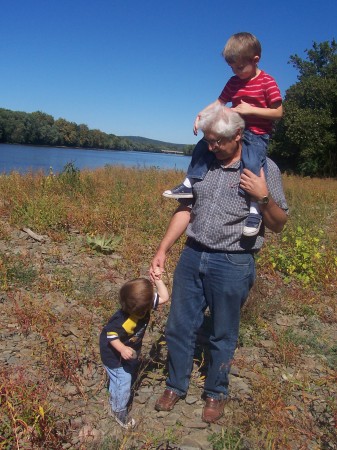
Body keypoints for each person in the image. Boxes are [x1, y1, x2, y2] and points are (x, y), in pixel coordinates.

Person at [151, 104, 288, 423]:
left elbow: (279, 223)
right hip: (193, 254)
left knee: (222, 333)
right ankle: (175, 385)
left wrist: (263, 196)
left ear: (238, 136)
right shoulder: (203, 163)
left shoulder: (265, 169)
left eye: (217, 142)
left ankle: (216, 393)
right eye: (208, 141)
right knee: (178, 325)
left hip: (233, 262)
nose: (211, 147)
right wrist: (163, 249)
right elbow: (186, 209)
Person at [163, 32, 283, 237]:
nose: (236, 72)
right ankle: (188, 183)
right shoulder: (233, 81)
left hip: (256, 134)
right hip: (234, 130)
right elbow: (219, 103)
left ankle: (254, 211)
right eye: (231, 68)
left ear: (255, 60)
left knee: (252, 163)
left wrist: (250, 110)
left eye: (239, 67)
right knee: (203, 145)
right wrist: (202, 114)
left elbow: (278, 112)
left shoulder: (267, 82)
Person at [99, 273, 169, 428]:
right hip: (112, 354)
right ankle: (118, 410)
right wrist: (122, 348)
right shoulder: (122, 320)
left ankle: (113, 398)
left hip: (128, 351)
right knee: (123, 381)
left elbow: (164, 297)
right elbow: (110, 335)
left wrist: (158, 280)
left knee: (123, 376)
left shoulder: (143, 305)